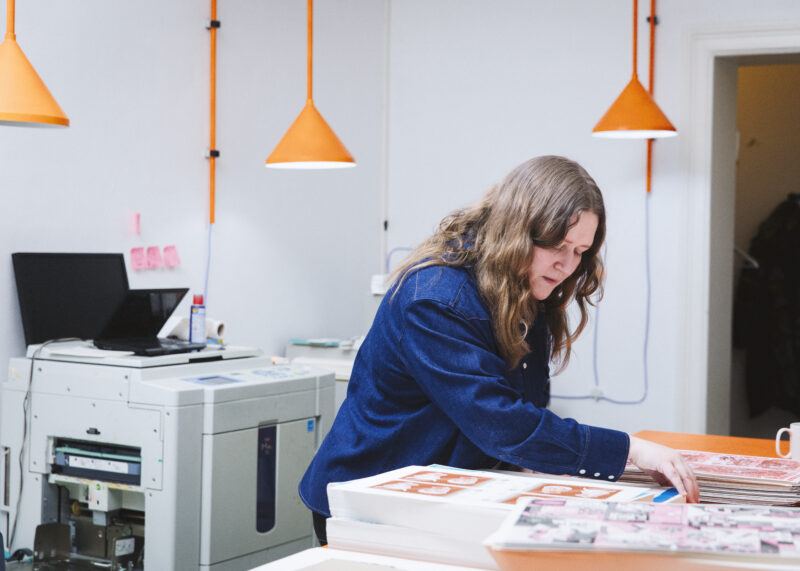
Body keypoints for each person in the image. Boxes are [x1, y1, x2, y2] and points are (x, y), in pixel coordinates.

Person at [299, 155, 699, 544]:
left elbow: (525, 404)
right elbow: (499, 422)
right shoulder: (435, 299)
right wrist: (628, 448)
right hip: (367, 497)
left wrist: (552, 460)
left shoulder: (527, 285)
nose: (566, 265)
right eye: (557, 245)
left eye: (580, 251)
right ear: (517, 230)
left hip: (441, 490)